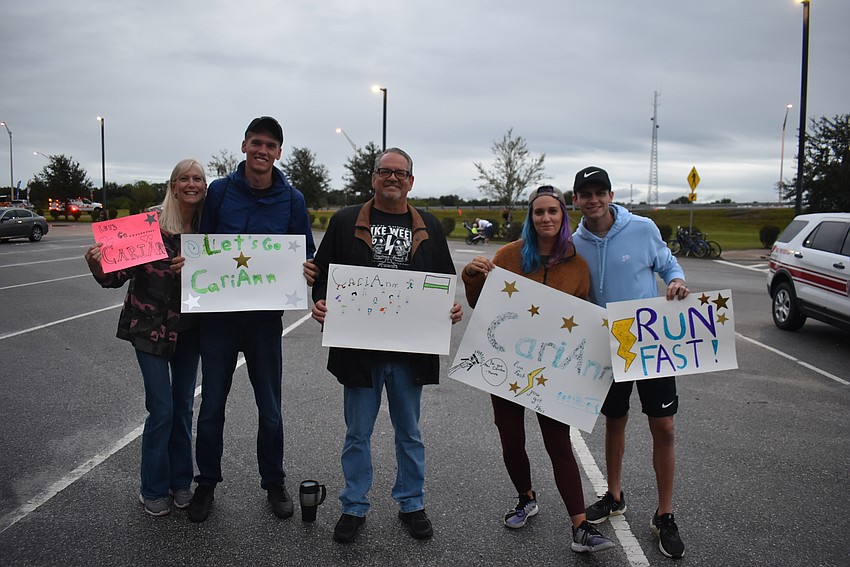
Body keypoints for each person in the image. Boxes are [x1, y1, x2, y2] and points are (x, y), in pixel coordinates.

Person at [309, 147, 463, 544]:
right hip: (359, 352)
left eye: (400, 173)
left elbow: (443, 279)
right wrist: (321, 303)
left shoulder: (429, 224)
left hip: (409, 352)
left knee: (409, 432)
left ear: (411, 180)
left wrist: (449, 309)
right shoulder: (345, 221)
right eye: (384, 172)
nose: (392, 179)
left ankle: (412, 503)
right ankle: (353, 505)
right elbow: (323, 275)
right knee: (357, 433)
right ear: (373, 177)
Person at [462, 185, 616, 554]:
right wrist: (472, 276)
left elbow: (585, 320)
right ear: (531, 218)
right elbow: (478, 305)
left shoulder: (578, 265)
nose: (546, 218)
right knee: (511, 439)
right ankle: (525, 497)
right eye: (539, 212)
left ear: (564, 216)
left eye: (553, 212)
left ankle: (579, 526)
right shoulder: (509, 255)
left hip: (554, 370)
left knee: (558, 443)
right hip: (508, 365)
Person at [187, 116, 316, 523]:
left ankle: (273, 482)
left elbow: (305, 252)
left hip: (264, 322)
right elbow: (203, 247)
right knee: (211, 407)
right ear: (244, 145)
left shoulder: (292, 199)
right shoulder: (220, 193)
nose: (262, 151)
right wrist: (190, 266)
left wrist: (309, 268)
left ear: (279, 152)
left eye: (271, 146)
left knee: (271, 408)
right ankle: (205, 482)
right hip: (219, 321)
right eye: (256, 143)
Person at [571, 166, 689, 560]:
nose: (593, 199)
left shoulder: (642, 228)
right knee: (614, 420)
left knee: (665, 426)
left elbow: (668, 265)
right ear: (577, 200)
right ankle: (615, 495)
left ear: (610, 194)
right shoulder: (574, 243)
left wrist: (676, 281)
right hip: (607, 343)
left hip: (650, 339)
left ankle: (665, 513)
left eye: (599, 192)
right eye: (585, 194)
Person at [84, 159, 206, 516]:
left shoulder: (208, 230)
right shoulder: (148, 226)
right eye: (184, 178)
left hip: (190, 329)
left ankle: (181, 482)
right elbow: (112, 278)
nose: (191, 184)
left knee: (183, 407)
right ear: (172, 185)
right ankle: (152, 487)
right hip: (148, 329)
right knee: (162, 409)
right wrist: (95, 262)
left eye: (198, 178)